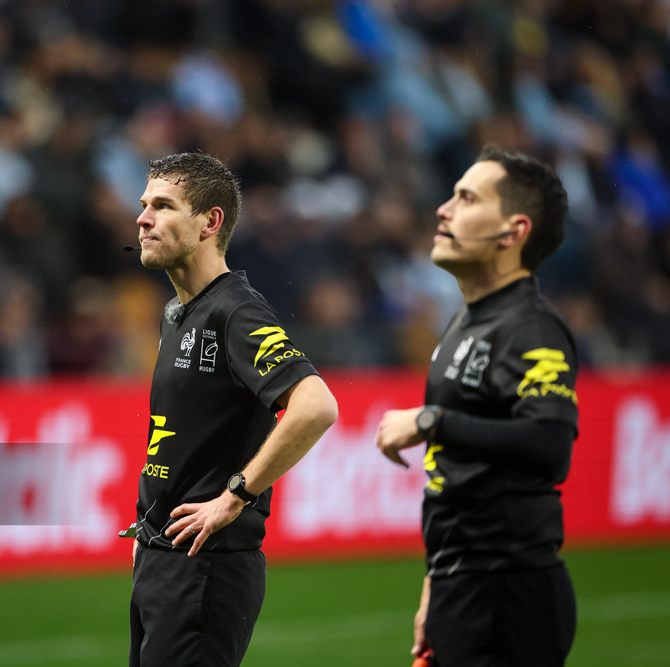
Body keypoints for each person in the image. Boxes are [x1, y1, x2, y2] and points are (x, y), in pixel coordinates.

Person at [127, 152, 338, 667]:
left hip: (205, 570)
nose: (142, 218)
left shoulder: (235, 310)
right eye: (143, 204)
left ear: (209, 223)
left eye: (163, 206)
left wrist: (236, 495)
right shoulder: (178, 312)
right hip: (162, 559)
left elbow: (316, 405)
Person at [376, 145, 578, 666]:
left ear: (513, 232)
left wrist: (431, 421)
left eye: (466, 198)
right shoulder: (468, 319)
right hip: (462, 587)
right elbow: (458, 478)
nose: (443, 209)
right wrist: (435, 589)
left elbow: (550, 444)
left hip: (507, 594)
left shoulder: (531, 327)